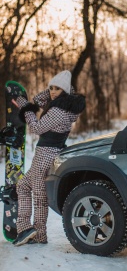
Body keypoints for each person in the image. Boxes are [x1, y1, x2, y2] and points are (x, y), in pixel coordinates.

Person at [12, 70, 86, 246]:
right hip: (47, 153)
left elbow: (37, 128)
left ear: (65, 91)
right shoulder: (63, 105)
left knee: (39, 196)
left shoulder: (59, 111)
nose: (52, 91)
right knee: (23, 186)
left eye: (57, 89)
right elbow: (38, 100)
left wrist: (25, 108)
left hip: (46, 154)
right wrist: (52, 91)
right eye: (51, 88)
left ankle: (37, 234)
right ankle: (29, 230)